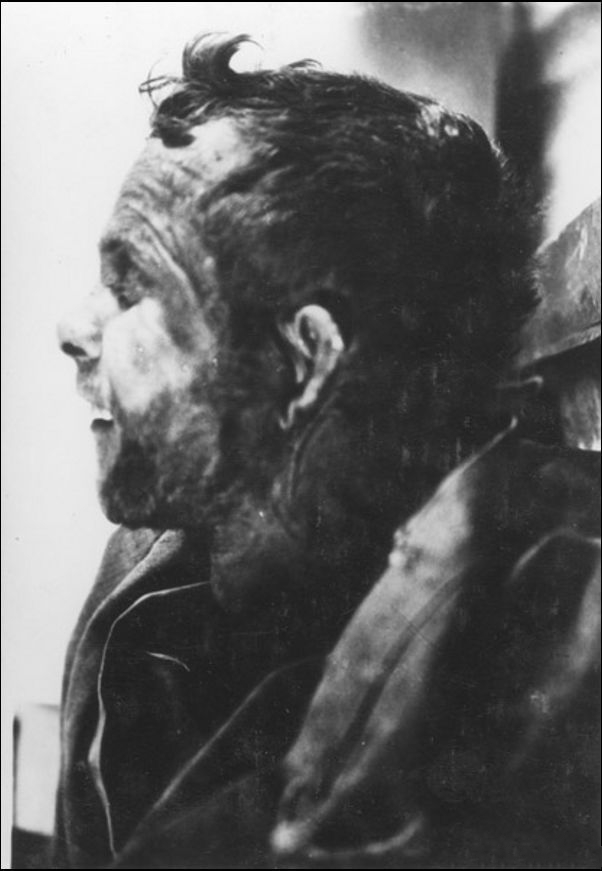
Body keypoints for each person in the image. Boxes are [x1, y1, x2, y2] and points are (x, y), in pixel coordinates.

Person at [54, 34, 599, 869]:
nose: (73, 329)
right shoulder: (151, 572)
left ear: (306, 358)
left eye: (132, 287)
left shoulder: (522, 673)